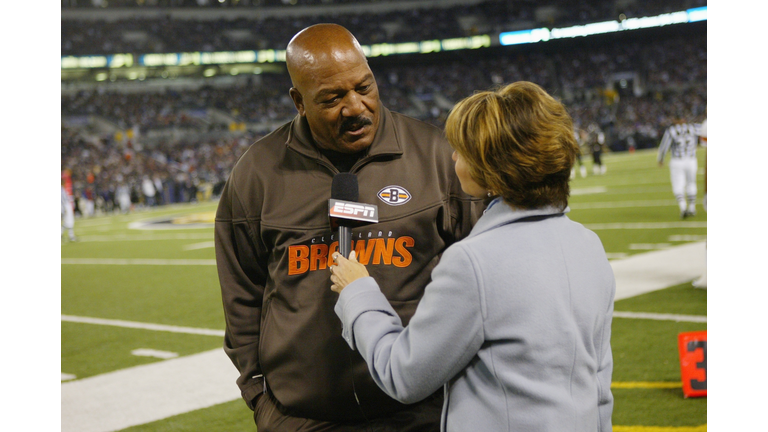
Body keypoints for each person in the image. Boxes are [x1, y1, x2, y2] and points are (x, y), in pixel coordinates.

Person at [214, 23, 483, 431]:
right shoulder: (257, 174)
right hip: (304, 418)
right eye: (332, 98)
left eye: (364, 87)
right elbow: (242, 299)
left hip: (425, 413)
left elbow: (485, 276)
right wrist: (261, 399)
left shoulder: (436, 155)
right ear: (298, 101)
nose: (355, 107)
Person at [329, 81, 615, 432]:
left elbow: (403, 374)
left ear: (493, 168)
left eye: (463, 151)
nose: (453, 157)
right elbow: (600, 385)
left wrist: (359, 294)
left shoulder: (474, 261)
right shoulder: (588, 244)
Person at [657, 118, 701, 218]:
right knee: (691, 183)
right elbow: (704, 130)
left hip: (677, 161)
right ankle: (692, 208)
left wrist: (660, 159)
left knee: (678, 185)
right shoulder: (693, 127)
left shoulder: (671, 130)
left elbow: (664, 147)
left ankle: (683, 208)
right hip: (691, 160)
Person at [61, 177, 77, 242]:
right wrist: (64, 208)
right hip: (65, 206)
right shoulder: (61, 190)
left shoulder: (62, 189)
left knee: (67, 221)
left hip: (65, 206)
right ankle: (71, 236)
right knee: (70, 221)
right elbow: (63, 200)